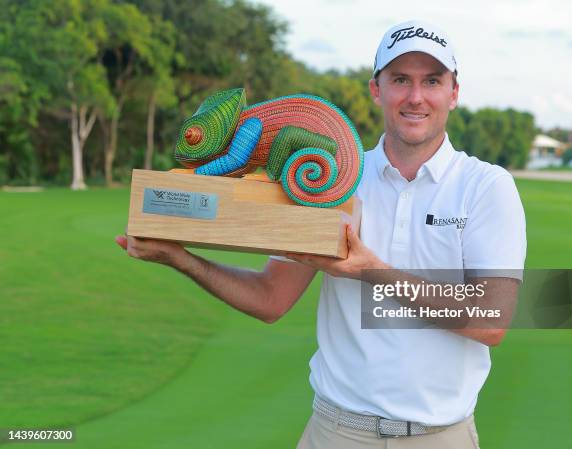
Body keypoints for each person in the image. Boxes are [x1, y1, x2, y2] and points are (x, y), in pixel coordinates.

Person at [116, 19, 526, 449]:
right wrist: (180, 258)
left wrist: (370, 272)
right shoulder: (336, 177)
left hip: (440, 438)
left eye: (433, 81)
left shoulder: (486, 186)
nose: (416, 97)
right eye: (400, 79)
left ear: (454, 93)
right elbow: (270, 298)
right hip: (336, 432)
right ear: (376, 89)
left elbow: (491, 320)